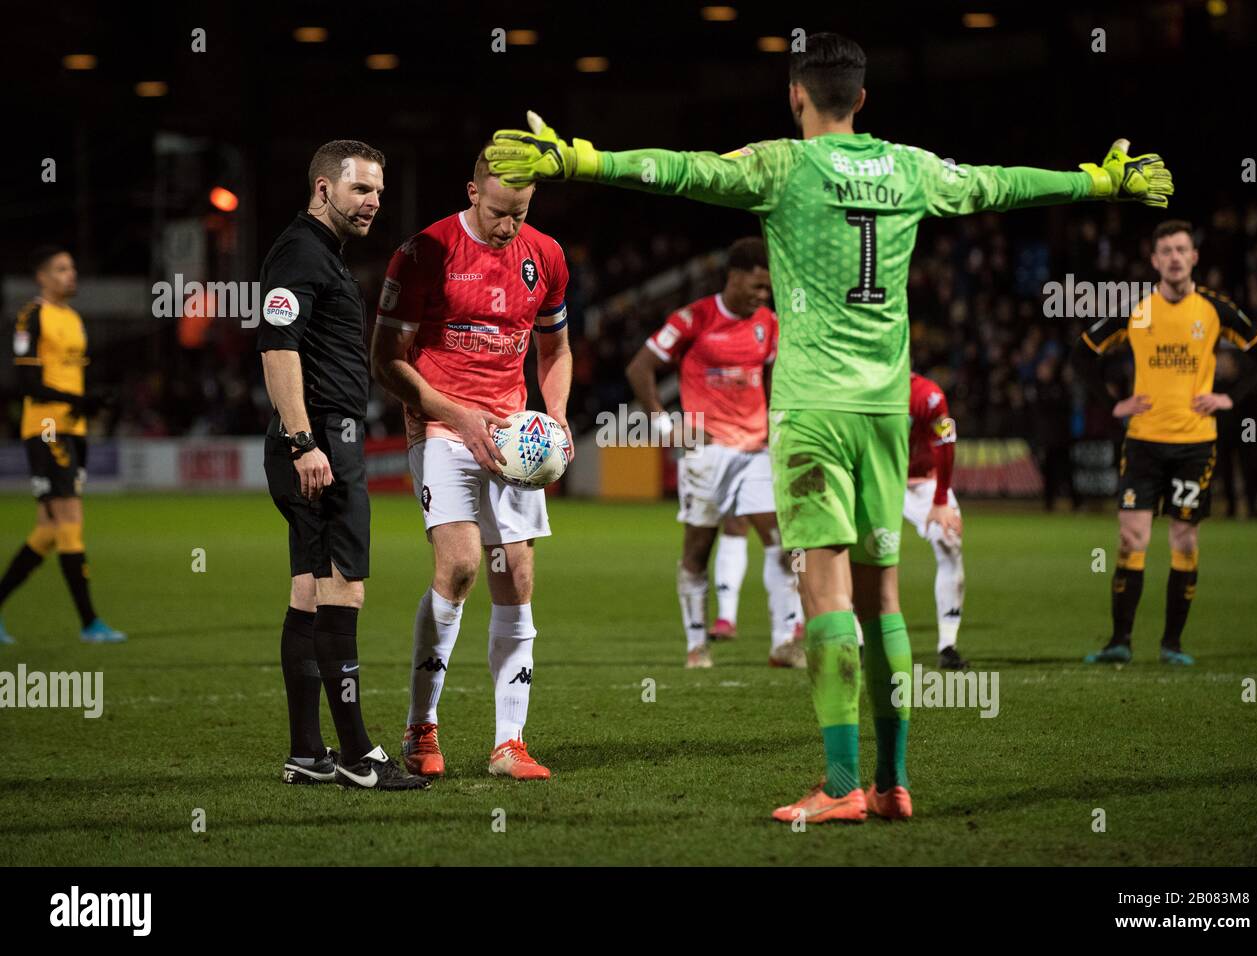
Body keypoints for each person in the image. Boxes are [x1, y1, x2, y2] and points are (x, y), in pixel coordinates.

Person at [487, 31, 1173, 822]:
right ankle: (893, 782)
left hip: (813, 413)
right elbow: (1001, 185)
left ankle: (843, 785)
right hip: (887, 410)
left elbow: (684, 170)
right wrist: (1097, 181)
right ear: (864, 100)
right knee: (885, 597)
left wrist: (581, 161)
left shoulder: (783, 165)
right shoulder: (912, 168)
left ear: (795, 96)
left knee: (825, 594)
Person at [370, 148, 573, 782]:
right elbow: (386, 359)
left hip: (512, 436)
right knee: (458, 567)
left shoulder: (547, 256)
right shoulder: (424, 252)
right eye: (496, 212)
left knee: (514, 573)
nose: (507, 227)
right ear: (471, 190)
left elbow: (556, 349)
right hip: (440, 425)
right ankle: (421, 724)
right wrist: (457, 416)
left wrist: (556, 417)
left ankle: (508, 743)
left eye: (520, 214)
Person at [259, 140, 426, 790]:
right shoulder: (301, 253)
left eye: (379, 192)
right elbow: (278, 349)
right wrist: (305, 442)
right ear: (324, 188)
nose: (374, 202)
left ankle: (308, 752)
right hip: (322, 442)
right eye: (361, 190)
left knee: (307, 592)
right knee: (342, 589)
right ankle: (358, 756)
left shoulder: (315, 253)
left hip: (322, 440)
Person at [1071, 220, 1257, 666]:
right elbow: (1082, 353)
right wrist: (1113, 403)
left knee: (1183, 540)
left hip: (1194, 445)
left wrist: (1229, 396)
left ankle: (1172, 645)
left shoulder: (1216, 310)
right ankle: (1119, 642)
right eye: (1165, 250)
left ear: (1194, 256)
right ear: (1154, 260)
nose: (1175, 257)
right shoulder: (1137, 308)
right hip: (1143, 442)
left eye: (1182, 249)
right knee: (1131, 537)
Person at [626, 236, 804, 669]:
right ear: (735, 276)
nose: (762, 297)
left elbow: (776, 377)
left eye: (767, 290)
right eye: (756, 287)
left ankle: (784, 642)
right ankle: (696, 645)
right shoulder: (694, 318)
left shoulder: (769, 324)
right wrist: (663, 423)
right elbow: (640, 368)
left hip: (757, 450)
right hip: (706, 453)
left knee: (781, 544)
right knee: (698, 549)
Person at [0, 247, 125, 645]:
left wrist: (93, 400)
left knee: (49, 530)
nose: (70, 275)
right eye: (61, 268)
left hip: (74, 429)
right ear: (41, 277)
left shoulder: (72, 318)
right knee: (70, 521)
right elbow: (27, 384)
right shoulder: (31, 316)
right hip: (47, 425)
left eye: (72, 268)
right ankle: (90, 622)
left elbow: (72, 378)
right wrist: (78, 402)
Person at [904, 372, 967, 670]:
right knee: (854, 551)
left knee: (949, 537)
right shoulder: (860, 386)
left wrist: (941, 499)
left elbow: (947, 437)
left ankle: (947, 645)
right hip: (878, 479)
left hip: (922, 481)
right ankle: (860, 642)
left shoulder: (928, 395)